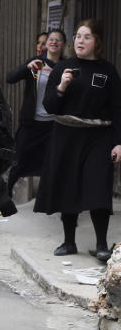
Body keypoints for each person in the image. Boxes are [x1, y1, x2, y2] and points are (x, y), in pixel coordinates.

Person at [34, 20, 121, 262]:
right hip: (66, 134)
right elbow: (49, 105)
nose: (80, 41)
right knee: (68, 184)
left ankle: (102, 244)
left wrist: (118, 142)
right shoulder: (64, 67)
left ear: (97, 42)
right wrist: (62, 85)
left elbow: (117, 109)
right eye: (78, 36)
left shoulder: (108, 71)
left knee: (98, 186)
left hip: (99, 135)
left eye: (86, 37)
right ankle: (69, 241)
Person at [6, 29, 66, 195]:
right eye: (51, 39)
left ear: (63, 45)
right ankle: (5, 197)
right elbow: (10, 78)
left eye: (58, 40)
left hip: (54, 124)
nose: (54, 42)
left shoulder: (65, 67)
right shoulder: (37, 62)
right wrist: (27, 68)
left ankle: (50, 199)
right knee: (18, 161)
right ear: (46, 44)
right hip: (31, 122)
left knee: (52, 163)